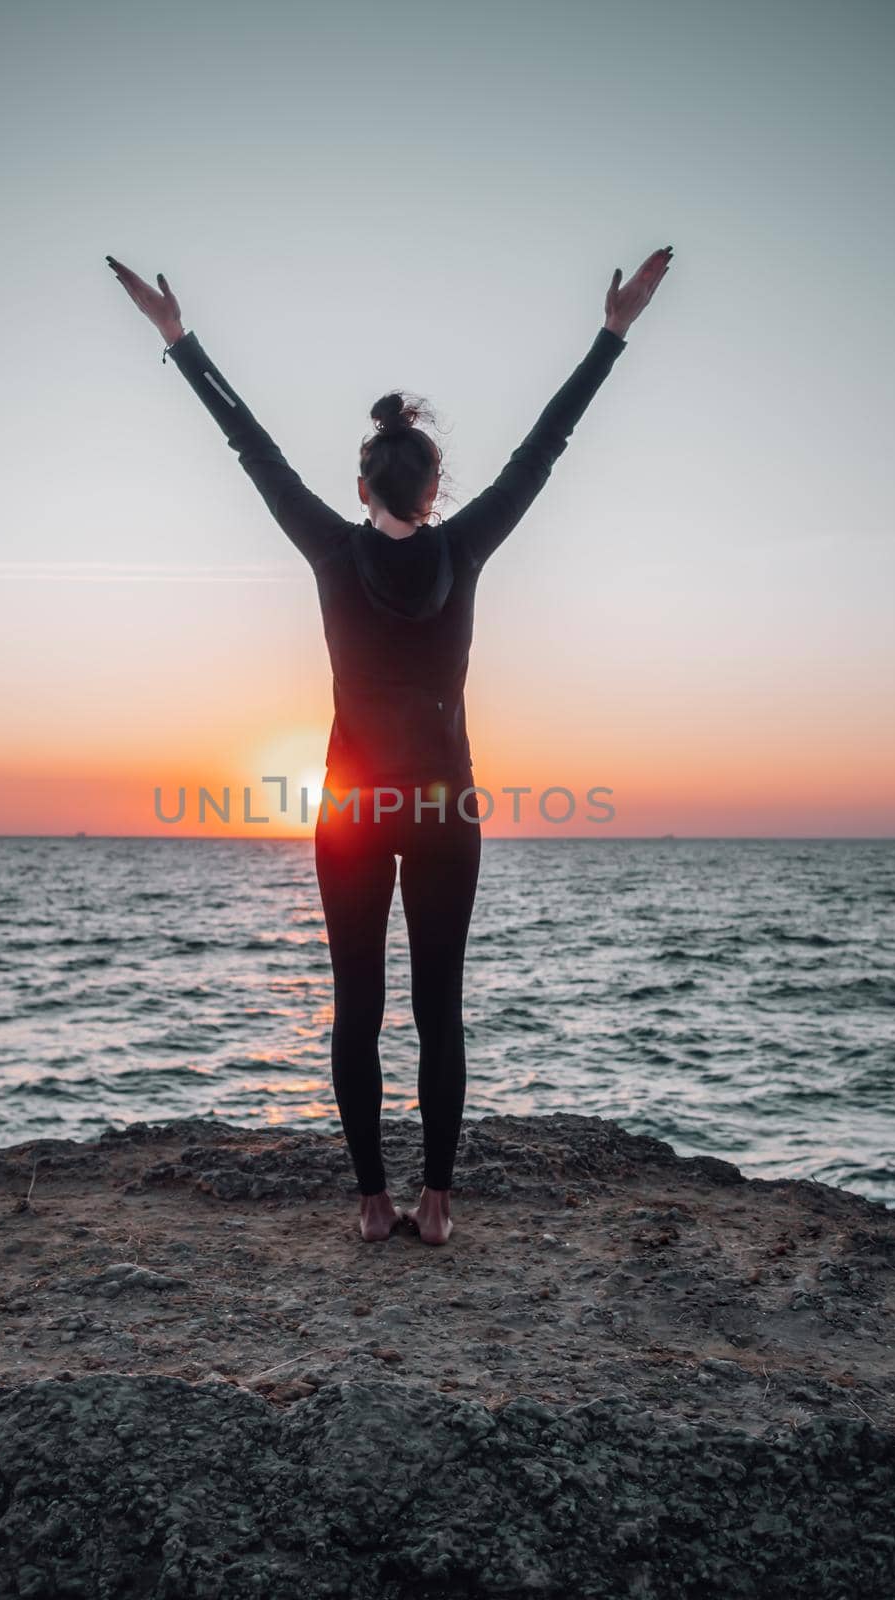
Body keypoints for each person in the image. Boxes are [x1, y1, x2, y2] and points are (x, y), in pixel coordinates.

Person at [107, 245, 672, 1243]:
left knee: (357, 1003)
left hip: (351, 812)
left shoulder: (332, 547)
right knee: (438, 1006)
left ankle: (374, 1203)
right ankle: (440, 1202)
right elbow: (547, 444)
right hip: (447, 811)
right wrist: (613, 331)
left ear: (362, 478)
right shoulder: (464, 545)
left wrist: (178, 339)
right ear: (435, 483)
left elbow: (253, 449)